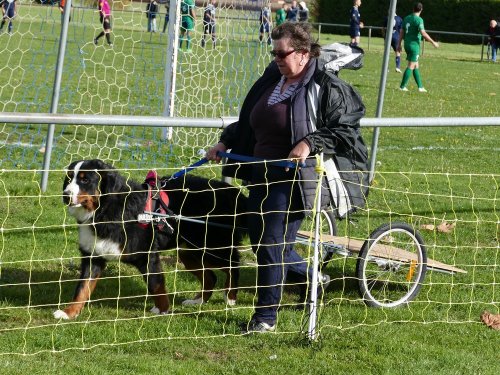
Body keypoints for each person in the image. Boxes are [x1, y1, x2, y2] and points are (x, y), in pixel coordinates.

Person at [206, 22, 367, 334]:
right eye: (273, 53)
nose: (277, 58)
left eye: (282, 53)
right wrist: (225, 141)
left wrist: (309, 143)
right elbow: (250, 121)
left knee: (270, 244)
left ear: (304, 54)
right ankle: (312, 278)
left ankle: (265, 318)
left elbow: (344, 127)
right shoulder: (272, 80)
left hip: (294, 178)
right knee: (262, 243)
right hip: (259, 173)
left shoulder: (324, 85)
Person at [398, 2, 439, 92]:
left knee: (416, 65)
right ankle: (402, 86)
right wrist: (433, 42)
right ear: (421, 10)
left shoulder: (407, 18)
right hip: (414, 45)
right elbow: (423, 33)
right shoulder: (419, 20)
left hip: (407, 44)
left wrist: (399, 44)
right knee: (411, 66)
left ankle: (420, 87)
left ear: (413, 9)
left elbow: (401, 31)